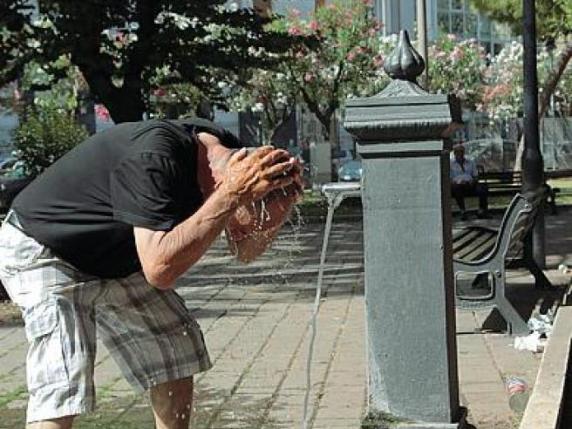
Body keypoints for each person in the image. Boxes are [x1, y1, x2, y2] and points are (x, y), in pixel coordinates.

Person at [0, 117, 303, 429]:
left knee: (175, 351)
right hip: (43, 247)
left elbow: (244, 252)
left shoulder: (231, 155)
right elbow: (160, 270)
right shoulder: (155, 157)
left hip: (112, 256)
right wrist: (230, 196)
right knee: (63, 378)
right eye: (248, 207)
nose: (241, 220)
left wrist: (276, 212)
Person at [450, 143, 489, 220]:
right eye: (458, 152)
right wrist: (457, 182)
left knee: (483, 188)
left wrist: (473, 181)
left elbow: (475, 175)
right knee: (456, 188)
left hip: (470, 184)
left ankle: (482, 211)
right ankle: (463, 211)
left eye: (461, 151)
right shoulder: (450, 164)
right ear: (454, 153)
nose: (460, 154)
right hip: (457, 185)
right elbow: (449, 178)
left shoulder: (470, 162)